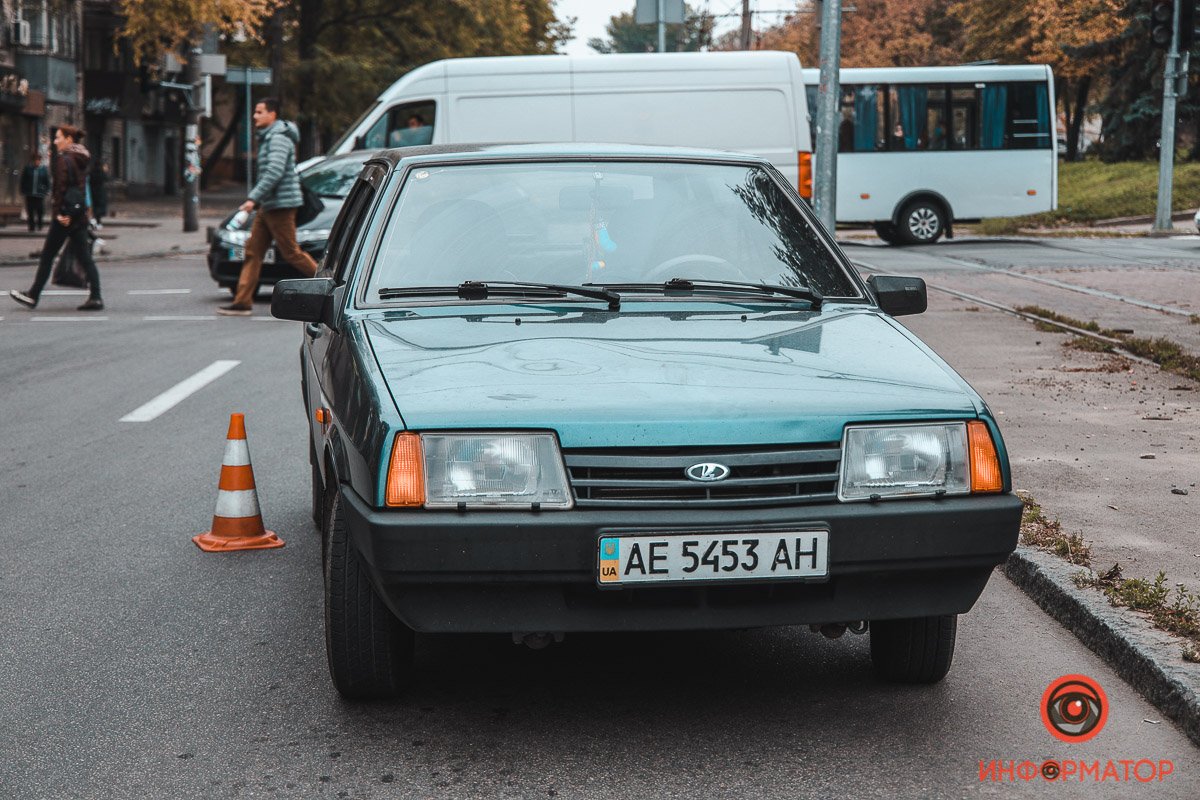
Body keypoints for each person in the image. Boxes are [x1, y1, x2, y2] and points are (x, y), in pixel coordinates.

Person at [218, 96, 318, 316]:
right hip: (270, 204)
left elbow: (274, 172)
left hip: (281, 205)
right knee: (253, 251)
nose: (255, 116)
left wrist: (253, 198)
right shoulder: (268, 137)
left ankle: (330, 283)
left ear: (272, 114)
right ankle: (242, 302)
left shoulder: (278, 138)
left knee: (291, 253)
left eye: (259, 112)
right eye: (255, 112)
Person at [9, 125, 103, 311]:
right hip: (79, 215)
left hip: (65, 217)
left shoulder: (65, 159)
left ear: (69, 139)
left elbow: (61, 188)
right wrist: (77, 212)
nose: (55, 141)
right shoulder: (81, 157)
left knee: (47, 256)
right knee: (85, 258)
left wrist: (61, 213)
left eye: (58, 137)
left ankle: (33, 296)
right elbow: (80, 188)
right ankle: (96, 297)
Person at [19, 152, 50, 232]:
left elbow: (47, 181)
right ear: (33, 161)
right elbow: (23, 180)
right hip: (30, 193)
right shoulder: (28, 169)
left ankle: (40, 225)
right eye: (35, 160)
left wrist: (46, 190)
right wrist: (23, 190)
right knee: (30, 210)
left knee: (40, 210)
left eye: (38, 160)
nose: (37, 162)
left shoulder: (43, 169)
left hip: (40, 194)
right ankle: (31, 226)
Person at [90, 160, 109, 227]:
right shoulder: (101, 172)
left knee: (95, 207)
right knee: (99, 207)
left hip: (93, 191)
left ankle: (95, 221)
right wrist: (105, 171)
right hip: (100, 192)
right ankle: (98, 222)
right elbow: (106, 179)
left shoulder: (92, 172)